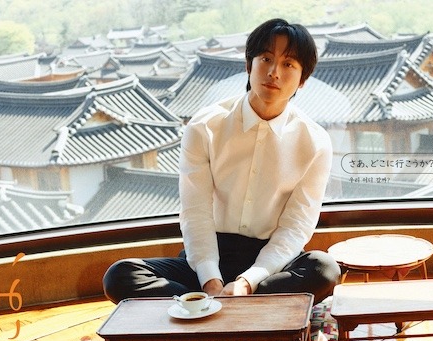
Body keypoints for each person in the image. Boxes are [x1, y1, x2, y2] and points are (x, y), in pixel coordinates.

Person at [103, 18, 340, 305]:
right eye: (266, 59)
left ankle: (203, 308)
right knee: (121, 275)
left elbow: (296, 226)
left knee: (324, 269)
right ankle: (234, 308)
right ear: (249, 65)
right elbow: (196, 212)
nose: (274, 72)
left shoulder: (314, 141)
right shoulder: (205, 126)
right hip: (208, 257)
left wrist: (248, 282)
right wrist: (211, 280)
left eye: (288, 64)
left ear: (303, 79)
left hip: (269, 267)